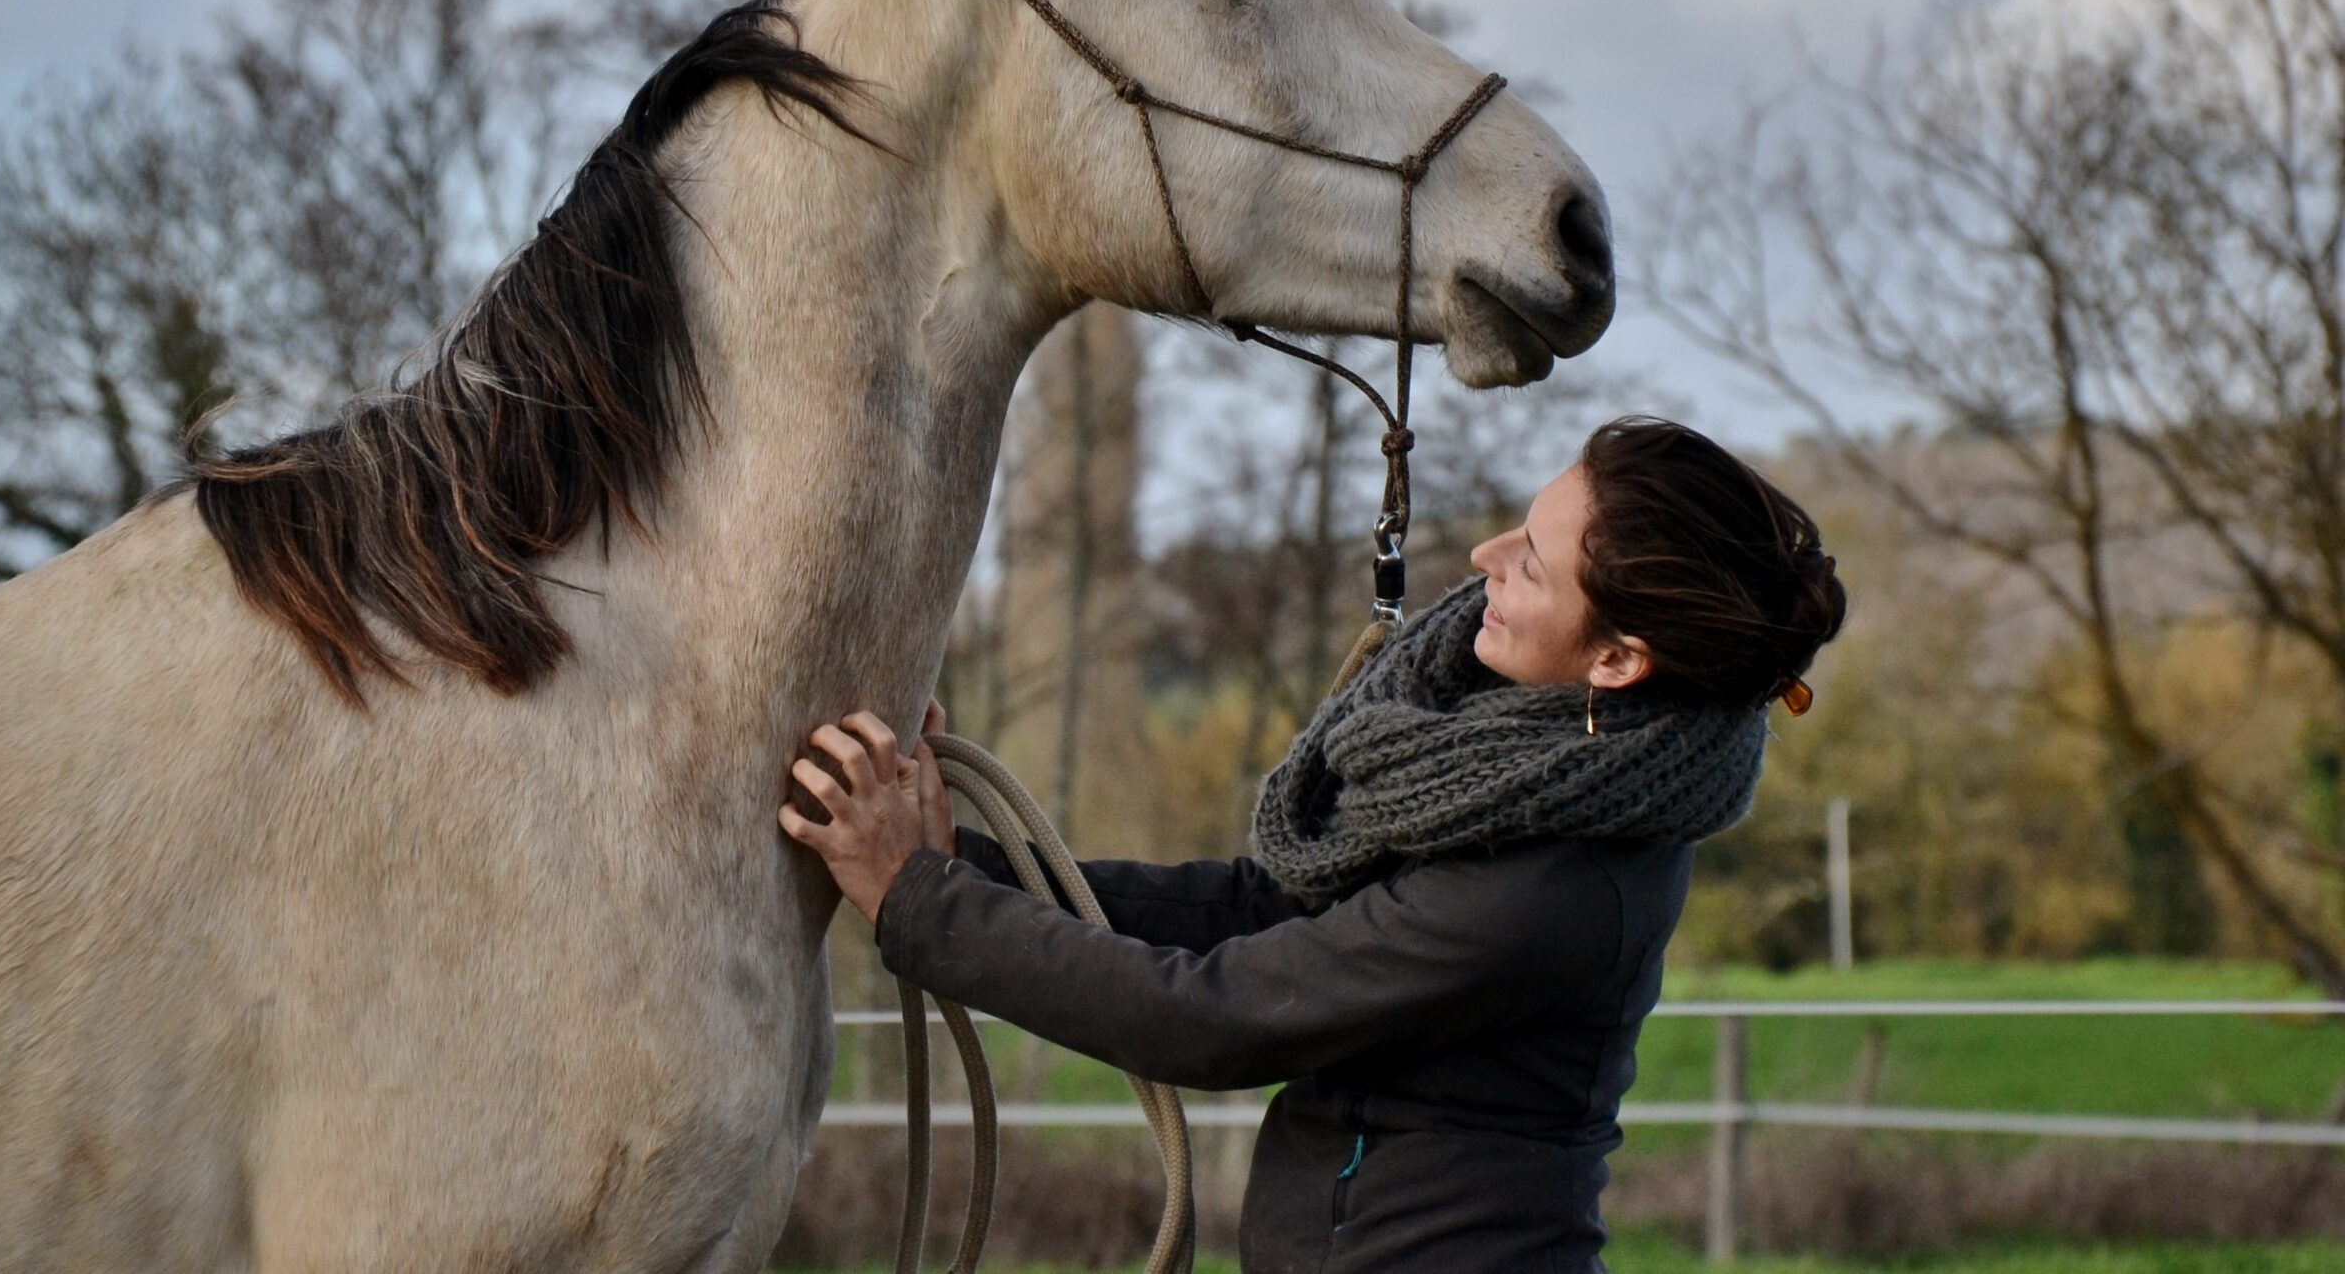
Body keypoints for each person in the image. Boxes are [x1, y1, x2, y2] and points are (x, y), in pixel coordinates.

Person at [779, 415, 1848, 1273]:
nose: (1483, 561)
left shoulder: (1552, 886)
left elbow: (1208, 1014)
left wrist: (916, 900)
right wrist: (964, 860)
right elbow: (1267, 906)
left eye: (1528, 560)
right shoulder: (1520, 781)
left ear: (1615, 659)